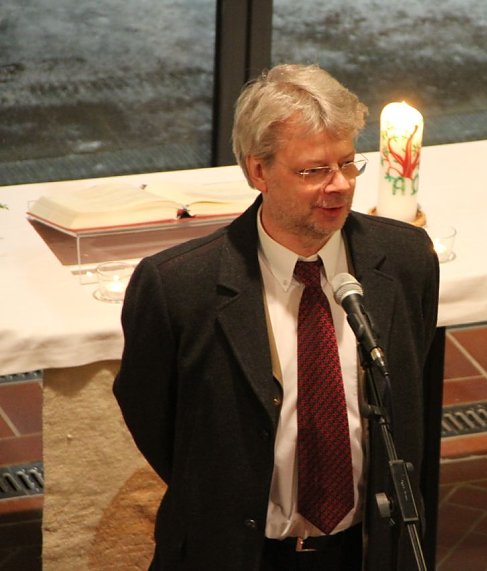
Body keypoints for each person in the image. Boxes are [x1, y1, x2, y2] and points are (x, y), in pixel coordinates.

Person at [113, 63, 440, 570]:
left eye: (348, 164)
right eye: (313, 171)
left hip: (364, 550)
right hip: (236, 552)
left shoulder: (405, 259)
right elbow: (154, 418)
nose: (339, 186)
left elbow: (407, 385)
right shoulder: (179, 286)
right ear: (258, 171)